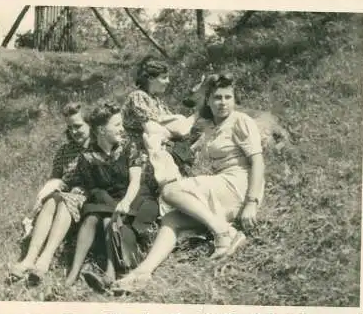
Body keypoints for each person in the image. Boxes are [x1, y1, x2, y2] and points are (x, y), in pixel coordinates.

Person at [112, 71, 266, 291]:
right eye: (217, 98)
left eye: (227, 97)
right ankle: (142, 273)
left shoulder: (240, 121)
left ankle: (225, 233)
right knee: (171, 220)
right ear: (209, 102)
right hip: (222, 185)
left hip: (238, 185)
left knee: (171, 191)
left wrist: (251, 202)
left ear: (234, 99)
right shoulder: (212, 126)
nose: (222, 103)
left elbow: (258, 163)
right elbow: (180, 132)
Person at [59, 99, 160, 289]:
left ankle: (110, 272)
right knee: (94, 214)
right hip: (107, 199)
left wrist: (125, 201)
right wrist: (108, 203)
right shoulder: (87, 157)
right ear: (101, 131)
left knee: (107, 216)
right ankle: (72, 275)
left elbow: (135, 181)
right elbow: (94, 189)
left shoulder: (128, 146)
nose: (122, 128)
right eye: (117, 125)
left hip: (136, 197)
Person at [8, 102, 91, 282]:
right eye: (70, 128)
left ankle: (45, 258)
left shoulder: (97, 148)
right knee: (52, 200)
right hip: (63, 195)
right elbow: (55, 178)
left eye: (78, 126)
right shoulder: (64, 151)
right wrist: (55, 185)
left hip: (86, 195)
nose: (74, 132)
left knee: (64, 202)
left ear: (90, 124)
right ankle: (29, 259)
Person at [121, 54, 198, 212]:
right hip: (138, 154)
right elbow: (153, 130)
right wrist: (175, 126)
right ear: (150, 78)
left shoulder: (156, 100)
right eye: (164, 77)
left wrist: (175, 127)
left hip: (157, 149)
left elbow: (180, 129)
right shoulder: (138, 97)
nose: (168, 81)